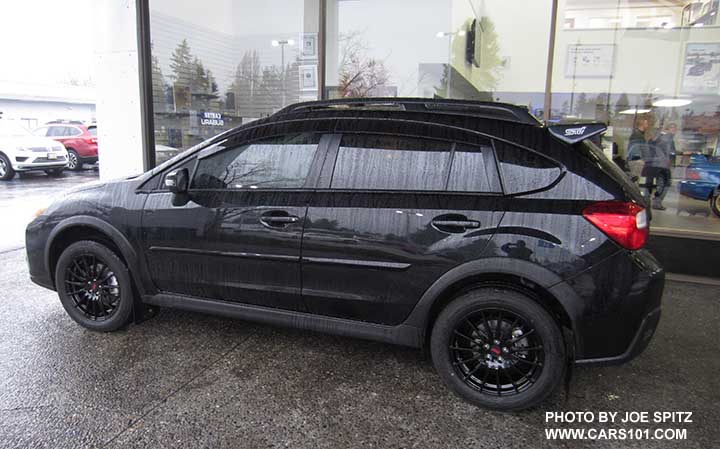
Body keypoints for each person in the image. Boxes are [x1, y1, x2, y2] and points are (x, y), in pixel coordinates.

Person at [647, 123, 676, 210]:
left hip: (658, 164)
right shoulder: (666, 139)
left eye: (675, 129)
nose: (675, 131)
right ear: (668, 129)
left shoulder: (663, 138)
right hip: (662, 165)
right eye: (673, 128)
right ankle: (657, 202)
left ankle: (655, 201)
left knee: (661, 184)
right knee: (664, 184)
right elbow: (669, 152)